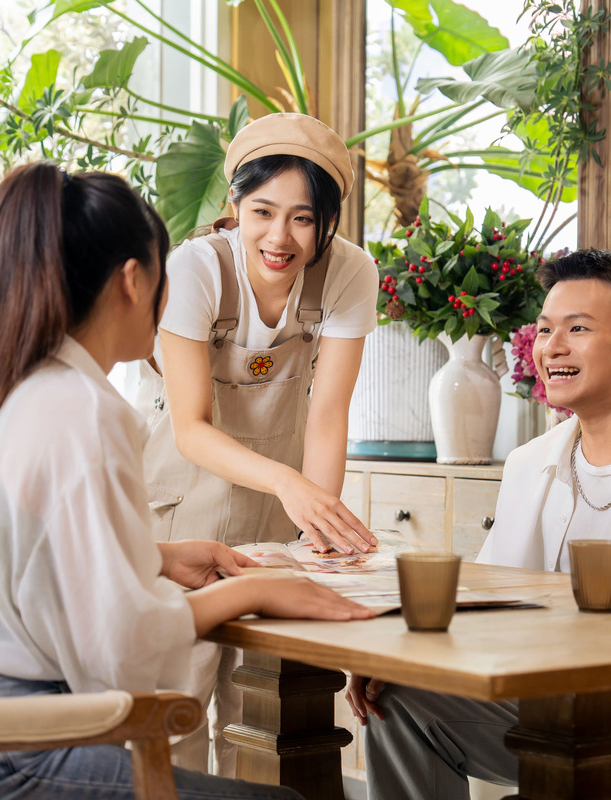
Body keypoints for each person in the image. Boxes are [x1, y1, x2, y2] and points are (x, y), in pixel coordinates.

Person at [0, 163, 375, 800]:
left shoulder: (23, 388)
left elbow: (33, 565)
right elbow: (123, 654)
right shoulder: (88, 409)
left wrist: (159, 557)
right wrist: (252, 594)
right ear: (133, 279)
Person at [345, 249, 611, 800]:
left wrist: (573, 679)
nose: (553, 347)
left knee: (572, 730)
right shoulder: (531, 462)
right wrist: (398, 657)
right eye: (545, 330)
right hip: (546, 697)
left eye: (578, 329)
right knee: (397, 699)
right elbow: (486, 601)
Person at [141, 113, 380, 774]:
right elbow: (190, 426)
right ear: (235, 206)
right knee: (176, 705)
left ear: (328, 221)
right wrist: (288, 482)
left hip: (277, 518)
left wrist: (318, 537)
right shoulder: (196, 271)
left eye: (303, 219)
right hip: (182, 507)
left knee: (266, 711)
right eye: (262, 212)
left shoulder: (350, 273)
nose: (279, 237)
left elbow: (329, 414)